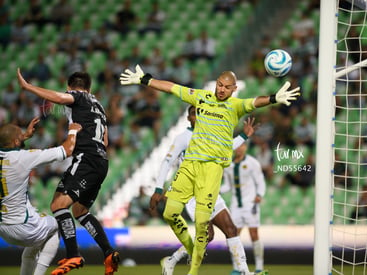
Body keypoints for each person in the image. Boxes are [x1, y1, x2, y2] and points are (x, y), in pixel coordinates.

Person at [120, 64, 300, 275]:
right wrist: (146, 80)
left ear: (233, 89)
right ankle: (180, 254)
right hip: (189, 169)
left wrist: (272, 99)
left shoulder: (235, 106)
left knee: (209, 228)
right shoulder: (200, 98)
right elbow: (172, 87)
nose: (221, 89)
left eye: (226, 87)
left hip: (212, 171)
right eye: (219, 85)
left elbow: (254, 103)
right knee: (172, 215)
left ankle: (206, 271)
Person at [17, 69, 120, 275]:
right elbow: (106, 141)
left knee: (58, 204)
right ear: (90, 87)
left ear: (70, 87)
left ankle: (73, 253)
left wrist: (28, 87)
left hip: (86, 159)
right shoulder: (99, 106)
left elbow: (57, 97)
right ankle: (108, 252)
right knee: (79, 211)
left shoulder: (78, 96)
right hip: (101, 161)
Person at [149, 105, 260, 275]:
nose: (198, 116)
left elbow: (227, 146)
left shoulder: (210, 135)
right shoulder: (182, 138)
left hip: (210, 189)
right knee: (207, 234)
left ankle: (244, 271)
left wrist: (244, 135)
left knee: (230, 228)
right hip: (193, 193)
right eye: (194, 114)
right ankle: (172, 261)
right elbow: (167, 162)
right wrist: (158, 187)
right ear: (188, 118)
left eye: (201, 113)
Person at [0, 117, 82, 275]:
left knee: (34, 245)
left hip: (3, 228)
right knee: (57, 225)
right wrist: (72, 129)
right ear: (16, 141)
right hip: (23, 226)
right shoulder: (22, 158)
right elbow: (67, 150)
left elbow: (8, 143)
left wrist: (20, 137)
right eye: (20, 134)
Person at [221, 143, 266, 273]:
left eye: (242, 146)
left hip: (250, 204)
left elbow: (260, 180)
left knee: (254, 234)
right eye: (237, 146)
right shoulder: (228, 165)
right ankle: (236, 268)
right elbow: (228, 185)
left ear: (245, 147)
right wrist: (217, 190)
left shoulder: (252, 163)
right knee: (233, 235)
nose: (239, 148)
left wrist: (259, 195)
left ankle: (259, 267)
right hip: (236, 205)